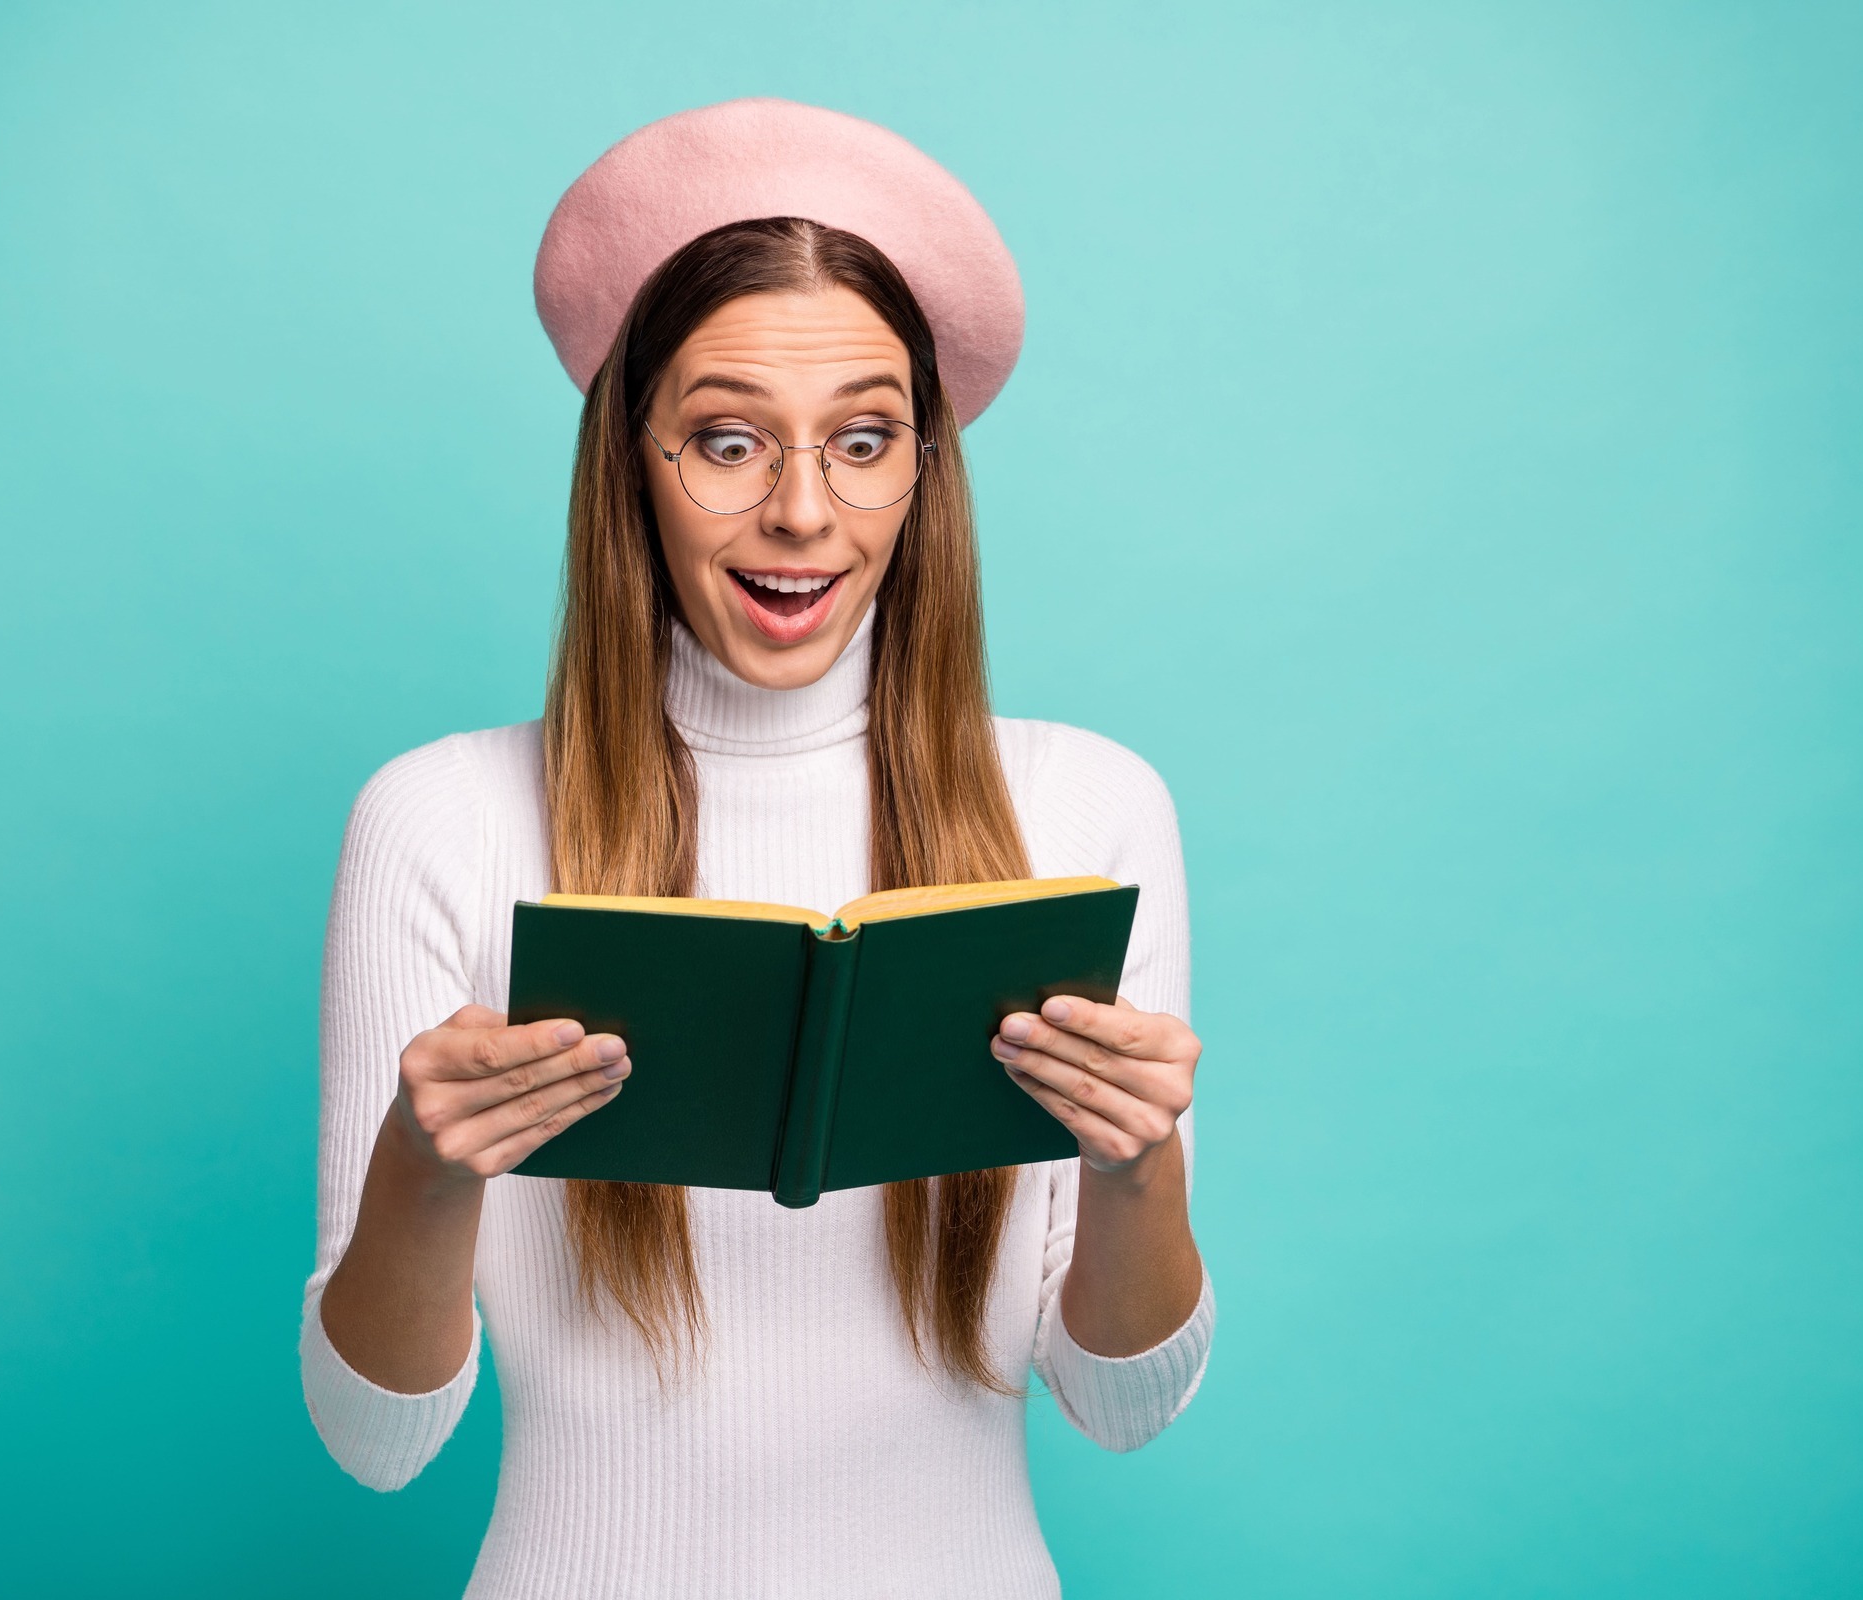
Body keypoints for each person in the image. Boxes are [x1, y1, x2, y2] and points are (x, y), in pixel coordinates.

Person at [301, 99, 1213, 1599]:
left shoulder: (1088, 810)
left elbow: (1122, 1403)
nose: (802, 513)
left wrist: (1136, 1163)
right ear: (631, 463)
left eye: (863, 442)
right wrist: (425, 1162)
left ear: (926, 467)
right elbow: (373, 1439)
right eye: (727, 441)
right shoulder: (443, 819)